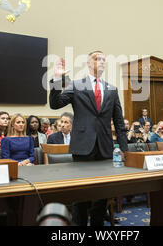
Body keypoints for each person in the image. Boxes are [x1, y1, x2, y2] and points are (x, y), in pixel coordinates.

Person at [49, 50, 128, 226]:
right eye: (97, 59)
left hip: (105, 148)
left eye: (103, 59)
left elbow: (119, 122)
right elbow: (55, 104)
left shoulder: (112, 90)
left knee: (102, 195)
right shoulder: (77, 85)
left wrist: (124, 149)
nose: (101, 62)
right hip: (83, 147)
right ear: (88, 63)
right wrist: (56, 79)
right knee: (81, 197)